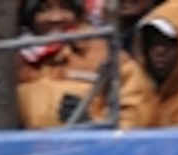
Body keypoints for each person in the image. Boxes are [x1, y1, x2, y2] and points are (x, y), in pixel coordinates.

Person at [16, 0, 158, 129]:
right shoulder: (12, 60)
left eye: (66, 8)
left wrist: (93, 126)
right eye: (44, 9)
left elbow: (138, 115)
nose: (56, 18)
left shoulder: (107, 55)